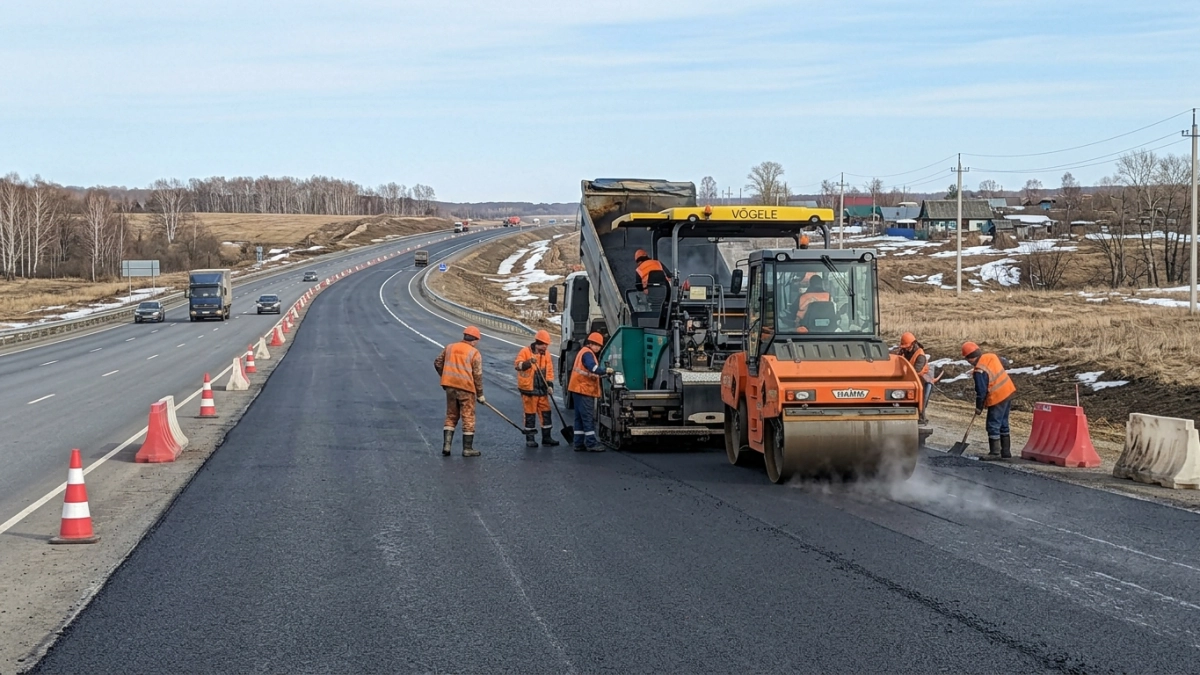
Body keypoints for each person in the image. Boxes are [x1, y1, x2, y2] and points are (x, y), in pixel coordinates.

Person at [434, 326, 485, 457]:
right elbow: (477, 375)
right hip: (466, 388)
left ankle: (447, 446)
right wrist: (480, 394)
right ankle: (467, 449)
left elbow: (438, 362)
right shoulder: (474, 353)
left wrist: (445, 376)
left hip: (450, 387)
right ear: (475, 340)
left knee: (451, 415)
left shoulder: (450, 347)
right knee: (468, 416)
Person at [963, 341, 1017, 460]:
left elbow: (981, 392)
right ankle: (1006, 452)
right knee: (1003, 423)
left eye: (967, 359)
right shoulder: (991, 356)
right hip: (1008, 391)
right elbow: (1005, 362)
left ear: (970, 358)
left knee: (993, 425)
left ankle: (995, 453)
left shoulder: (979, 371)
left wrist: (979, 407)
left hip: (997, 396)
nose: (968, 362)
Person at [515, 329, 560, 448]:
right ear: (538, 343)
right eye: (543, 345)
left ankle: (547, 438)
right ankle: (530, 439)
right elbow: (518, 365)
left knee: (546, 413)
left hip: (542, 390)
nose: (545, 347)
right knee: (530, 415)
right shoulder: (525, 351)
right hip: (529, 390)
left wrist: (550, 385)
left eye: (546, 345)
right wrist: (529, 362)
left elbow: (549, 371)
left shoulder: (547, 354)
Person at [567, 332, 609, 452]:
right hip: (584, 390)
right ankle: (591, 443)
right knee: (587, 417)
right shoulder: (588, 354)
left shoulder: (583, 352)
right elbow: (593, 368)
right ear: (591, 344)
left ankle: (578, 442)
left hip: (577, 389)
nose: (598, 348)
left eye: (599, 346)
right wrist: (605, 370)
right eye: (597, 345)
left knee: (579, 418)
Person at [896, 332, 934, 425]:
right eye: (904, 347)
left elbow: (916, 371)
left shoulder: (920, 355)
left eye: (907, 346)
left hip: (922, 379)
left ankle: (921, 418)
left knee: (921, 399)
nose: (906, 348)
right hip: (909, 378)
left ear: (913, 344)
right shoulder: (904, 351)